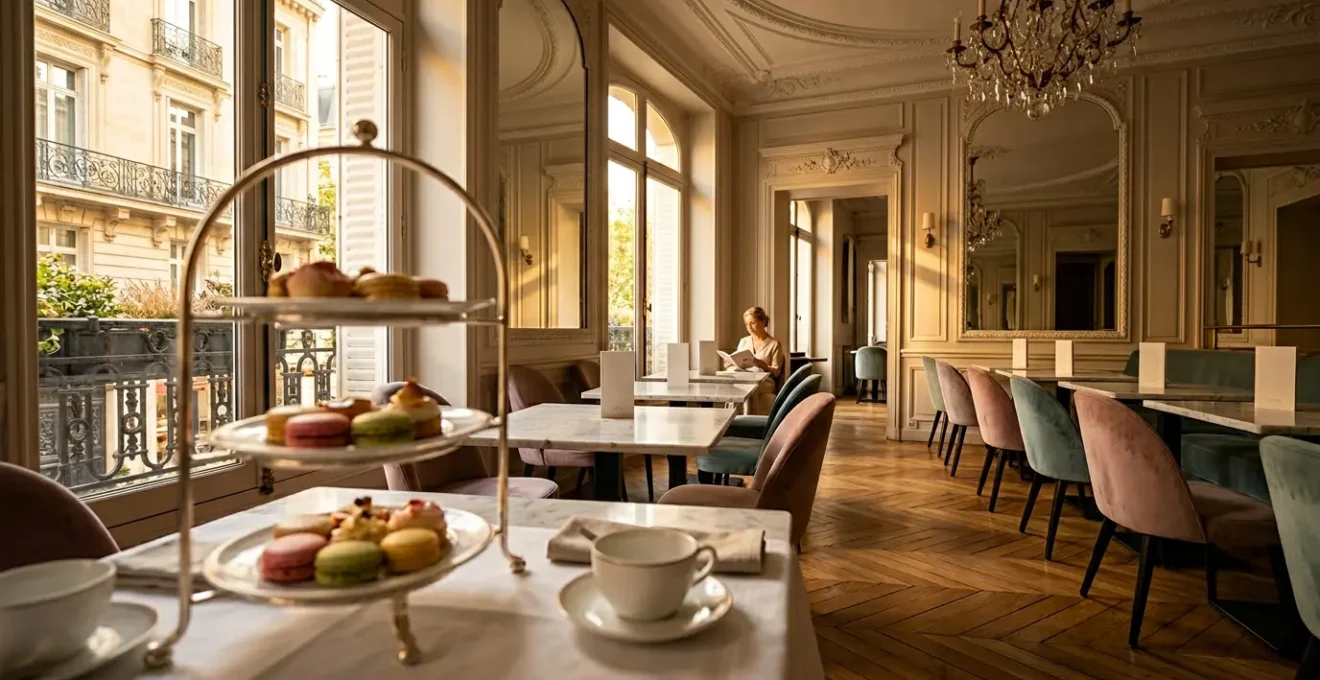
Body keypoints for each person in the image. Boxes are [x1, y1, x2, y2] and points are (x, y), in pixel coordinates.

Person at [729, 307, 787, 413]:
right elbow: (738, 361)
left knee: (750, 387)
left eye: (753, 323)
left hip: (765, 381)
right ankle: (734, 418)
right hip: (744, 377)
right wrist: (730, 362)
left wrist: (763, 365)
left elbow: (776, 372)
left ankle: (748, 418)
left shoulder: (774, 344)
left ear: (763, 322)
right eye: (747, 324)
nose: (749, 327)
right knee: (737, 385)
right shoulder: (743, 342)